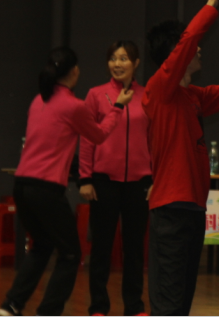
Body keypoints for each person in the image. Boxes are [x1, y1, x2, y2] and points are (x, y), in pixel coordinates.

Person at [143, 0, 219, 316]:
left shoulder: (191, 96)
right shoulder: (159, 90)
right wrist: (212, 3)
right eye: (190, 47)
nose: (198, 52)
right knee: (168, 301)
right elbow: (188, 40)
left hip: (193, 209)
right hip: (171, 208)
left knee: (181, 300)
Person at [0, 47, 133, 316]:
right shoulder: (74, 106)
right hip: (45, 188)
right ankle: (48, 311)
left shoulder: (39, 100)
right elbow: (99, 134)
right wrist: (118, 106)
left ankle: (12, 304)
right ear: (74, 71)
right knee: (71, 254)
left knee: (43, 245)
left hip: (22, 185)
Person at [79, 41, 151, 317]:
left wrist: (155, 178)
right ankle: (98, 307)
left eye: (123, 58)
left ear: (136, 63)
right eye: (112, 58)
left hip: (139, 183)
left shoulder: (147, 96)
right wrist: (85, 178)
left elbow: (154, 140)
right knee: (101, 248)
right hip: (103, 182)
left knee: (134, 250)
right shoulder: (96, 95)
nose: (117, 64)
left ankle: (134, 308)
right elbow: (86, 139)